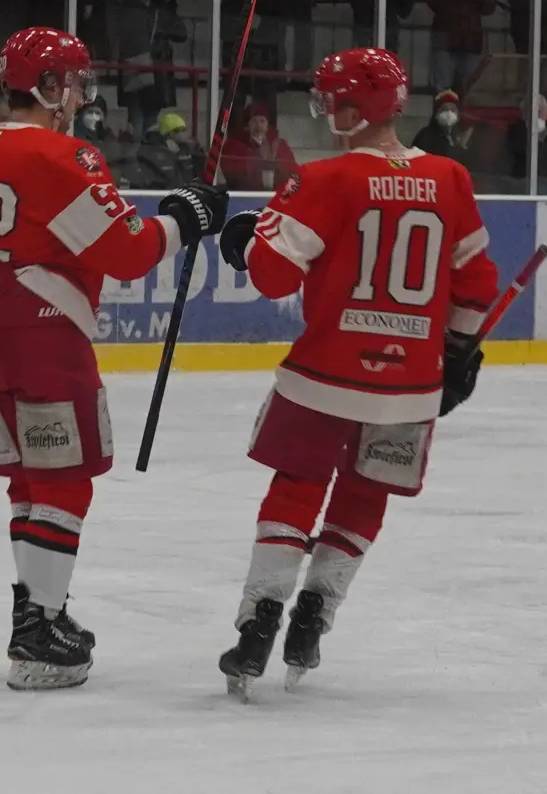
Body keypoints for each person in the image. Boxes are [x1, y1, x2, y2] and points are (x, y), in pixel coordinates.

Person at [0, 27, 227, 690]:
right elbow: (128, 251)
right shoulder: (64, 155)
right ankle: (37, 633)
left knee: (27, 483)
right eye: (73, 85)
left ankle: (38, 614)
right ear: (47, 88)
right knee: (64, 480)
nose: (80, 99)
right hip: (47, 340)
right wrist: (187, 219)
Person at [213, 48, 498, 700]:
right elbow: (477, 286)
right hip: (409, 384)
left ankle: (259, 625)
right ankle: (314, 619)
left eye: (330, 102)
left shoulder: (324, 179)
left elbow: (273, 275)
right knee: (366, 496)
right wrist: (458, 352)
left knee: (296, 488)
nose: (324, 113)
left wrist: (249, 240)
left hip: (323, 374)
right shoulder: (450, 178)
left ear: (351, 110)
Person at [115, 0, 187, 139]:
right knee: (137, 118)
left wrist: (170, 13)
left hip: (156, 72)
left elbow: (181, 34)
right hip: (138, 69)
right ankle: (137, 151)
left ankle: (146, 149)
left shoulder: (161, 10)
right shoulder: (129, 9)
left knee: (151, 121)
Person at [426, 0, 494, 93]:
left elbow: (488, 8)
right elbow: (432, 2)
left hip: (470, 42)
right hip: (444, 41)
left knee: (466, 89)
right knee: (443, 89)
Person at [219, 102, 299, 192]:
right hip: (246, 196)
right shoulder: (233, 146)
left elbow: (293, 171)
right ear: (247, 126)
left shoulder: (280, 145)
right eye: (254, 121)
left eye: (262, 121)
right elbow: (233, 174)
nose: (258, 125)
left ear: (267, 125)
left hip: (277, 196)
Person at [411, 88, 479, 169]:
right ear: (436, 114)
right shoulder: (425, 135)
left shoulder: (461, 136)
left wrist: (462, 146)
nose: (449, 113)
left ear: (458, 115)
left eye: (453, 110)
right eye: (444, 109)